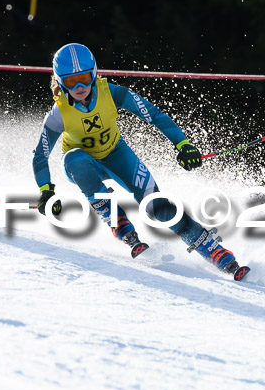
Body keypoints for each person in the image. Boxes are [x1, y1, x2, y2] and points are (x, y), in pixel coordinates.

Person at [32, 43, 249, 280]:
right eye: (72, 82)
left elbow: (154, 116)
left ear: (94, 73)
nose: (80, 87)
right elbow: (41, 155)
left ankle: (213, 250)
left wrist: (183, 144)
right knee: (76, 159)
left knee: (158, 207)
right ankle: (114, 216)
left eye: (84, 78)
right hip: (83, 165)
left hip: (117, 155)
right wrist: (45, 191)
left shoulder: (112, 93)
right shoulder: (58, 114)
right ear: (60, 81)